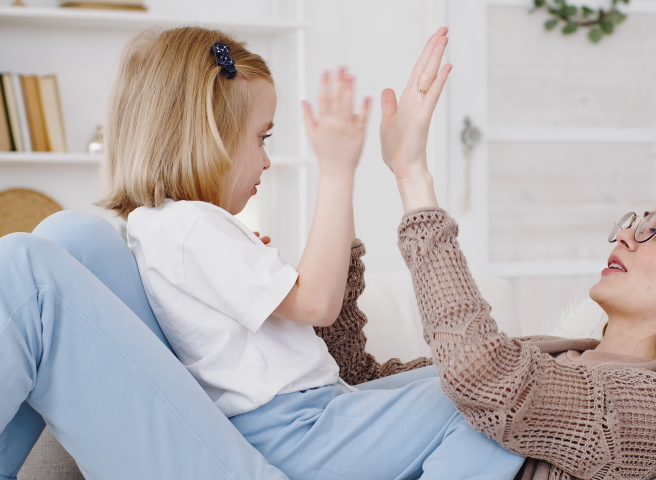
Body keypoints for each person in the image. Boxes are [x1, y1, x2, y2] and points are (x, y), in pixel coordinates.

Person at [0, 26, 524, 480]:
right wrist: (338, 169)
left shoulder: (160, 226)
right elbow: (319, 305)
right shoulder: (190, 226)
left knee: (65, 235)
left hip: (301, 420)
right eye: (261, 139)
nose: (267, 161)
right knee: (489, 400)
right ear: (207, 139)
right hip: (298, 432)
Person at [377, 28, 656, 480]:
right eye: (636, 222)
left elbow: (482, 377)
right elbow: (365, 383)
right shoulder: (543, 351)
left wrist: (412, 176)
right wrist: (337, 182)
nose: (627, 236)